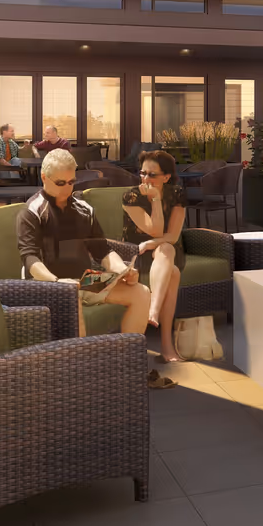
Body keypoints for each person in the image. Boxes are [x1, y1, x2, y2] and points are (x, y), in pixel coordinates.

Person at [17, 150, 175, 388]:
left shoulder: (84, 209)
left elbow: (102, 251)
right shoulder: (32, 211)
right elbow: (30, 260)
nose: (67, 188)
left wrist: (122, 270)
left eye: (71, 182)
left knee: (141, 292)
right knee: (72, 297)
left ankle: (126, 368)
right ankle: (80, 380)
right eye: (60, 183)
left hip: (84, 281)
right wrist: (57, 283)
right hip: (47, 285)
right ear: (44, 177)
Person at [122, 149, 186, 364]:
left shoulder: (177, 194)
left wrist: (153, 243)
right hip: (137, 252)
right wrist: (155, 200)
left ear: (166, 177)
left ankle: (153, 310)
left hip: (167, 250)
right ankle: (166, 346)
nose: (145, 179)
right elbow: (157, 230)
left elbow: (173, 235)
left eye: (152, 175)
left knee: (167, 249)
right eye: (142, 173)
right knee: (173, 273)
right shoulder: (131, 196)